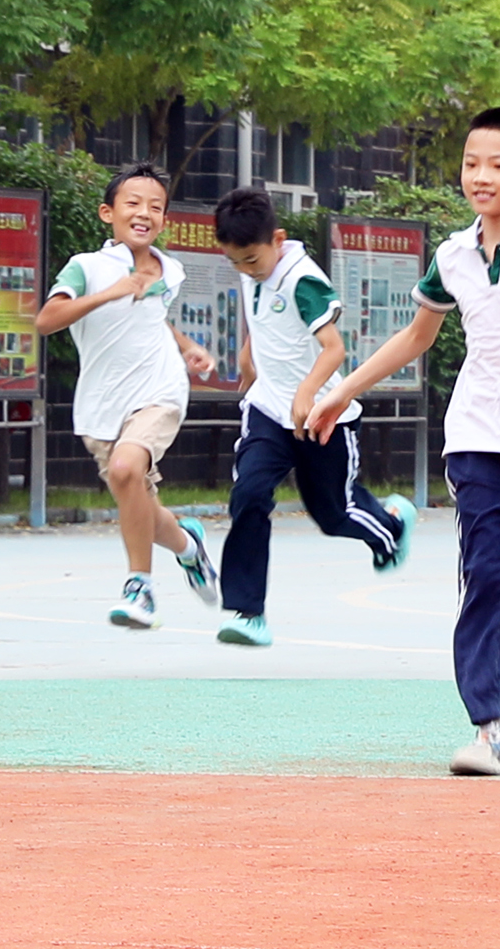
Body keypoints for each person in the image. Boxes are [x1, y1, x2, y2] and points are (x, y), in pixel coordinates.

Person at [308, 107, 500, 777]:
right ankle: (493, 728)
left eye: (499, 164)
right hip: (479, 437)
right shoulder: (453, 256)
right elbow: (417, 336)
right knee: (482, 577)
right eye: (471, 163)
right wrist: (342, 389)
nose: (481, 176)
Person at [208, 186, 416, 647]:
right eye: (235, 262)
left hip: (323, 414)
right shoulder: (250, 267)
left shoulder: (303, 280)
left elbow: (333, 348)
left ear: (277, 240)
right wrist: (248, 353)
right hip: (267, 409)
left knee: (333, 514)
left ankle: (392, 525)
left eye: (252, 262)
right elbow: (260, 317)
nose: (245, 270)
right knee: (249, 493)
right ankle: (248, 612)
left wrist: (308, 391)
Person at [33, 163, 220, 628]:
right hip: (102, 404)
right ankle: (187, 545)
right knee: (132, 494)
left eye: (155, 207)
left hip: (159, 390)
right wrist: (111, 293)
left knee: (125, 469)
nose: (145, 213)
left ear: (163, 219)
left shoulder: (168, 270)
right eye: (133, 203)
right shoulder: (87, 267)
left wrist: (187, 348)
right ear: (108, 213)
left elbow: (152, 318)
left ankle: (140, 588)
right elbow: (47, 320)